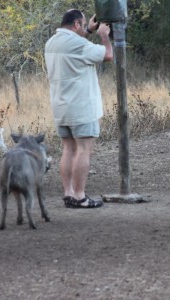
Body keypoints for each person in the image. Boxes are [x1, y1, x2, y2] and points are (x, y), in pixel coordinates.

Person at [45, 9, 113, 208]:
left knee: (68, 148)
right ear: (76, 24)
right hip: (82, 107)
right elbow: (108, 55)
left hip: (60, 106)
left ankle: (69, 193)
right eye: (83, 25)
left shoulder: (51, 43)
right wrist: (103, 36)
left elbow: (76, 46)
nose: (84, 28)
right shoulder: (79, 44)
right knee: (84, 149)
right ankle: (80, 196)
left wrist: (88, 32)